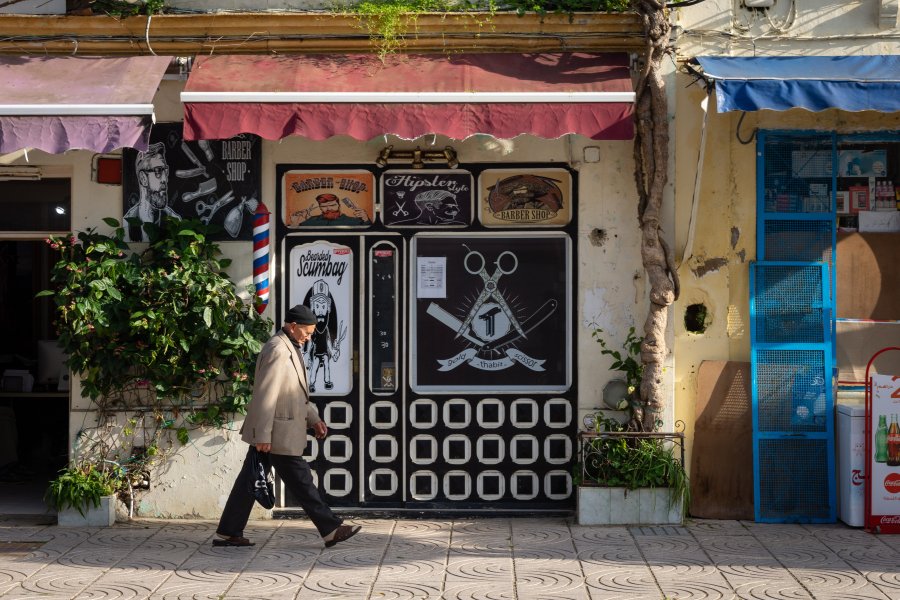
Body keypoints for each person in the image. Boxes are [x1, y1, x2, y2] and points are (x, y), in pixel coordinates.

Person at [214, 304, 360, 548]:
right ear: (293, 326)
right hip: (275, 433)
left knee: (250, 479)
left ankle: (229, 531)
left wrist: (313, 420)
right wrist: (262, 434)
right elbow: (265, 394)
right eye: (307, 332)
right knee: (302, 481)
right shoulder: (278, 349)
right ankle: (331, 528)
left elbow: (294, 393)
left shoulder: (290, 346)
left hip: (277, 430)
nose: (310, 337)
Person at [124, 142, 180, 242]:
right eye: (158, 171)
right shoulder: (127, 223)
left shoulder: (174, 220)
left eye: (165, 172)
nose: (164, 179)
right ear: (143, 178)